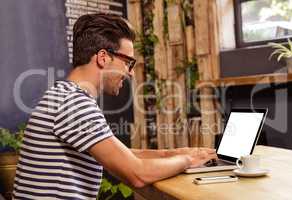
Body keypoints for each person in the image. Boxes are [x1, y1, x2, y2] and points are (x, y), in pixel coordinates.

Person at [13, 14, 217, 199]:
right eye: (128, 62)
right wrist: (188, 161)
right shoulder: (74, 103)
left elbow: (122, 155)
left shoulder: (64, 95)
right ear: (103, 57)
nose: (131, 73)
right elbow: (136, 173)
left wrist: (177, 153)